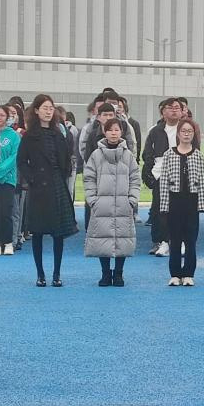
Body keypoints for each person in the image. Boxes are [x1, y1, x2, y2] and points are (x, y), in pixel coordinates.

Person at [17, 95, 78, 287]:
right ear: (36, 110)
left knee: (58, 233)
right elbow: (21, 162)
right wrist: (32, 179)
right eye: (44, 108)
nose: (48, 111)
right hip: (38, 188)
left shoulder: (58, 134)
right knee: (38, 232)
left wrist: (63, 174)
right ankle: (40, 274)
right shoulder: (29, 136)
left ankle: (56, 274)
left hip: (57, 185)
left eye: (51, 108)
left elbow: (67, 159)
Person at [83, 118, 140, 287]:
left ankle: (119, 273)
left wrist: (132, 199)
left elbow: (135, 178)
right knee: (103, 238)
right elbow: (89, 178)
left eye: (117, 130)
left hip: (123, 204)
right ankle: (105, 273)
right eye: (110, 130)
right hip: (102, 204)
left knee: (122, 239)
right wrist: (93, 200)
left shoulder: (128, 156)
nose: (113, 133)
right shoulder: (96, 155)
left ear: (121, 132)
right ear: (105, 132)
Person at [160, 119, 204, 286]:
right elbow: (164, 180)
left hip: (191, 201)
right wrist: (164, 206)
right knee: (175, 240)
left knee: (190, 240)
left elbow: (202, 180)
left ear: (194, 134)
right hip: (174, 200)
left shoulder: (198, 155)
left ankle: (188, 273)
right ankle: (175, 274)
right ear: (178, 133)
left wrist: (201, 205)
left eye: (190, 131)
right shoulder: (169, 154)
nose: (186, 134)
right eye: (184, 131)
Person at [142, 98, 184, 258]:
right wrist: (149, 175)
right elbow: (148, 153)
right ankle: (162, 241)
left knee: (180, 210)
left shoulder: (187, 129)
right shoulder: (155, 131)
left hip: (181, 174)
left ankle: (180, 241)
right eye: (170, 107)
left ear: (182, 111)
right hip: (160, 174)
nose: (174, 110)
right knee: (160, 210)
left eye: (177, 107)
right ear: (163, 112)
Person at [0, 105, 19, 255]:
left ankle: (8, 242)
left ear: (7, 118)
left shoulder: (13, 136)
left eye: (2, 115)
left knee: (5, 212)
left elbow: (14, 157)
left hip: (7, 179)